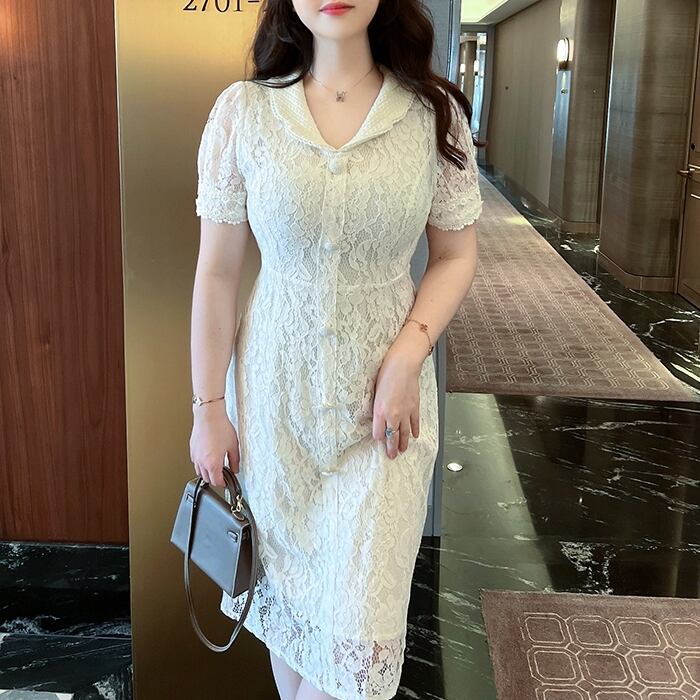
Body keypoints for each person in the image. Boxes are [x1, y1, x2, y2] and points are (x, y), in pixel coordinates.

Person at [189, 0, 483, 698]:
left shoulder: (431, 116)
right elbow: (218, 273)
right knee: (292, 635)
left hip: (384, 418)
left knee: (354, 649)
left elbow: (455, 255)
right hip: (273, 412)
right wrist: (208, 408)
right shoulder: (244, 114)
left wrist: (409, 354)